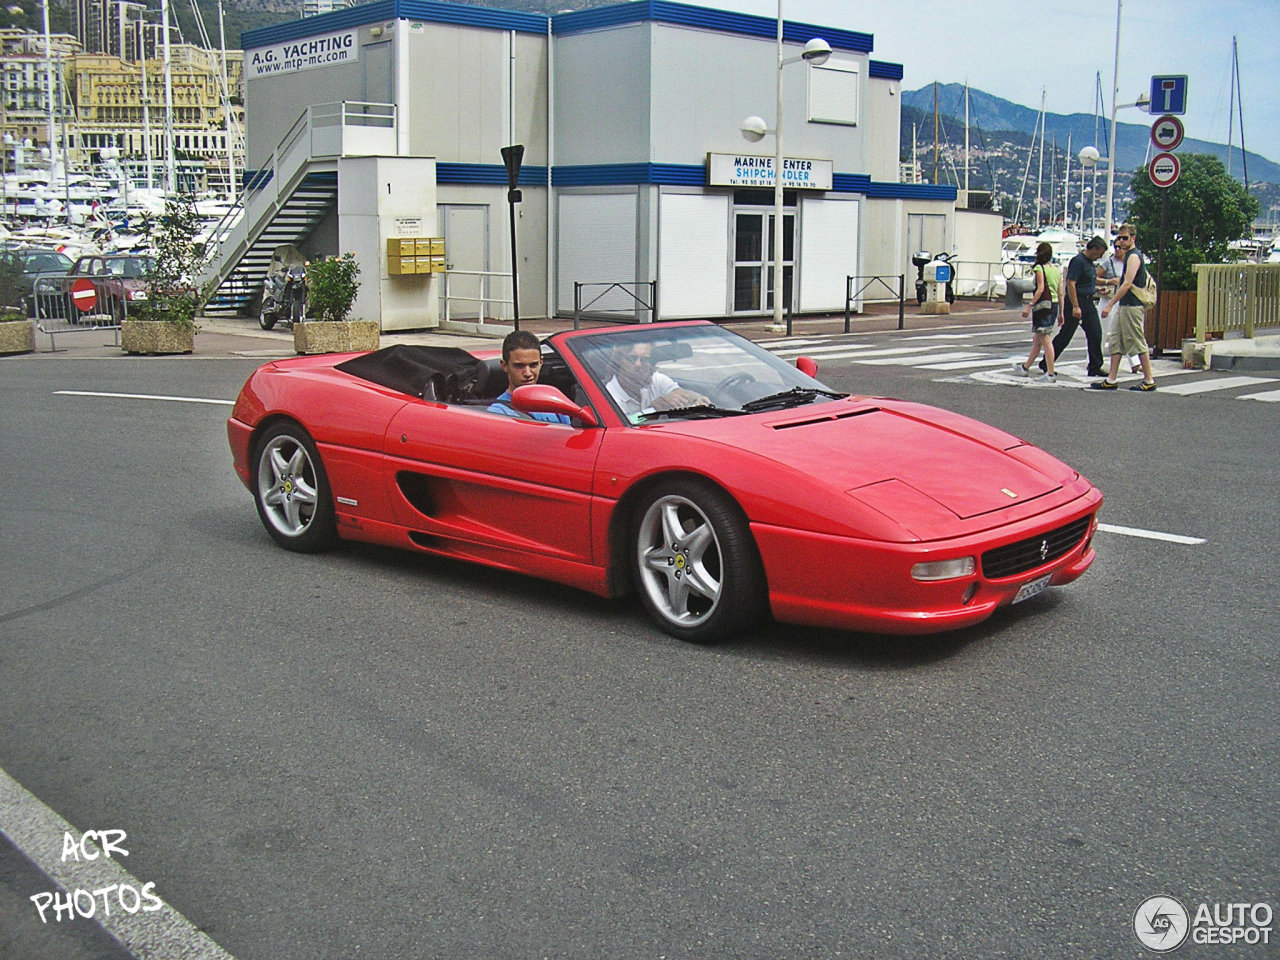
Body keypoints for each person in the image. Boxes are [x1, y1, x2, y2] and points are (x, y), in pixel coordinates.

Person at [1092, 223, 1156, 392]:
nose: (1121, 241)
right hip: (1125, 305)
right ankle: (1111, 378)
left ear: (1132, 238)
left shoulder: (1134, 257)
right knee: (1116, 340)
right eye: (1119, 238)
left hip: (1132, 305)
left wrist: (1110, 304)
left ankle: (1149, 379)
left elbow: (1127, 283)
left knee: (1137, 341)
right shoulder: (1129, 256)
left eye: (1125, 238)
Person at [1040, 236, 1107, 377]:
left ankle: (1095, 366)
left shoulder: (1089, 263)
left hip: (1088, 301)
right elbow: (1071, 283)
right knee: (1066, 335)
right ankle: (1046, 362)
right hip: (1077, 301)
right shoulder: (1078, 261)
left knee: (1095, 333)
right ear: (1094, 249)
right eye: (1100, 253)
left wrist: (1096, 290)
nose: (1100, 257)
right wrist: (1076, 306)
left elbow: (1086, 283)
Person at [604, 341, 708, 419]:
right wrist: (654, 409)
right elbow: (625, 425)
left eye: (644, 359)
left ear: (651, 364)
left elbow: (681, 394)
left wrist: (697, 400)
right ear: (619, 361)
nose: (638, 364)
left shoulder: (656, 379)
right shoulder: (609, 396)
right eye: (632, 358)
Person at [486, 329, 572, 422]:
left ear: (541, 362)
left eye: (533, 365)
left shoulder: (555, 403)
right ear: (504, 366)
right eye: (519, 366)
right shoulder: (498, 413)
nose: (527, 373)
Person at [1012, 241, 1060, 383]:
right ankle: (1025, 367)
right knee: (1038, 339)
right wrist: (1062, 312)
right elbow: (1060, 292)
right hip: (1054, 304)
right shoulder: (1056, 269)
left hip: (1042, 306)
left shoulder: (1040, 268)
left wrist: (1030, 305)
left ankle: (1050, 373)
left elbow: (1040, 288)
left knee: (1045, 339)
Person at [1097, 237, 1142, 374]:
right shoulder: (1108, 262)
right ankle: (1096, 361)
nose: (1117, 249)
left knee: (1126, 332)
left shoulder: (1131, 261)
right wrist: (1108, 281)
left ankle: (1134, 362)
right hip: (1109, 297)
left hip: (1122, 300)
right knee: (1103, 331)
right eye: (1115, 246)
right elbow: (1096, 277)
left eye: (1120, 247)